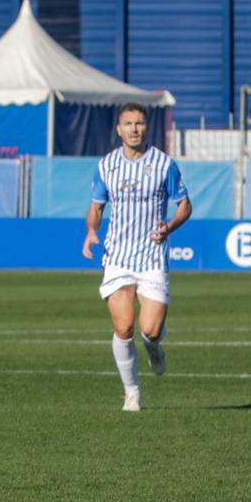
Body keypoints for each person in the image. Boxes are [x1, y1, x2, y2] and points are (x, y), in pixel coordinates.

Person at [84, 103, 192, 412]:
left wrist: (169, 226)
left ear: (147, 128)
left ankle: (154, 346)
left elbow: (185, 205)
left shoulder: (164, 164)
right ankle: (131, 391)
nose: (134, 129)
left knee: (151, 330)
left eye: (139, 123)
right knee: (124, 327)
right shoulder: (106, 166)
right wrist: (91, 231)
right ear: (118, 129)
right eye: (128, 123)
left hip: (152, 257)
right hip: (118, 256)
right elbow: (96, 208)